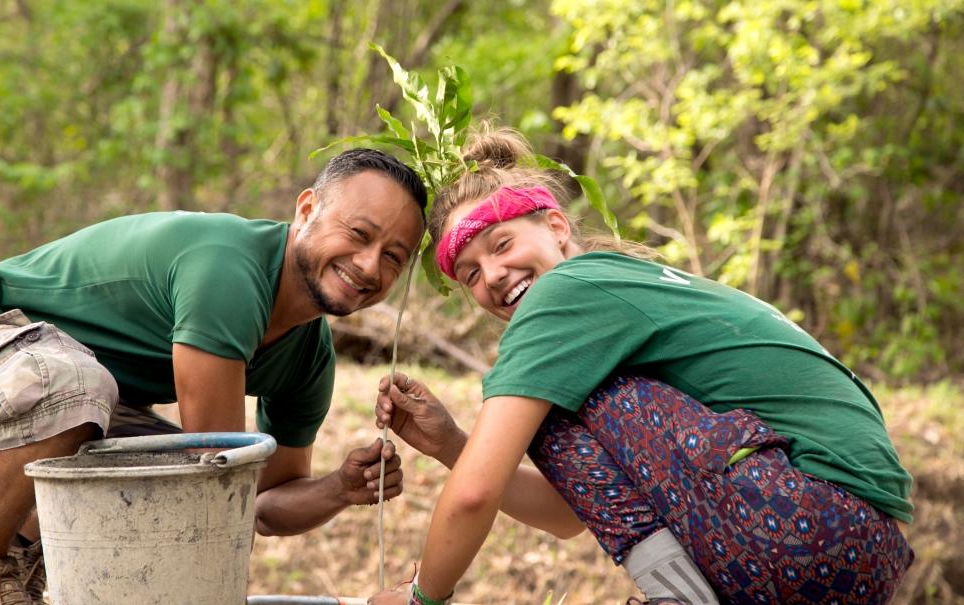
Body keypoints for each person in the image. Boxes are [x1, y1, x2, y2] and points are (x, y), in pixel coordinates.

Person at [368, 128, 914, 605]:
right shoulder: (620, 285)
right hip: (856, 550)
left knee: (552, 406)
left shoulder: (565, 291)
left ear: (557, 226)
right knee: (555, 401)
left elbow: (473, 494)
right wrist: (449, 445)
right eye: (469, 274)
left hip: (811, 524)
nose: (492, 274)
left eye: (503, 243)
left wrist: (422, 599)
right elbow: (567, 515)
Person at [0, 148, 427, 605]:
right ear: (307, 208)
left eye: (393, 258)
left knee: (158, 481)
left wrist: (339, 488)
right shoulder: (230, 268)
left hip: (85, 405)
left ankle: (19, 551)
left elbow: (260, 506)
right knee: (140, 441)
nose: (368, 265)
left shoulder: (309, 358)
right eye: (358, 234)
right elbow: (215, 472)